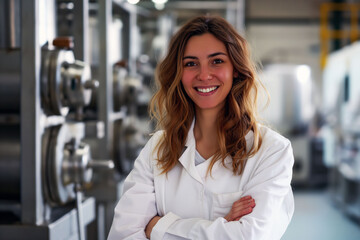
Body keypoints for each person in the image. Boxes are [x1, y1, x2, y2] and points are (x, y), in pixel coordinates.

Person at [108, 15, 294, 240]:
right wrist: (221, 227)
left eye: (217, 61)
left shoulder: (272, 151)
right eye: (191, 63)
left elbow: (249, 236)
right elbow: (123, 234)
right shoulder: (158, 148)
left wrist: (158, 227)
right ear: (179, 73)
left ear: (235, 68)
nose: (204, 75)